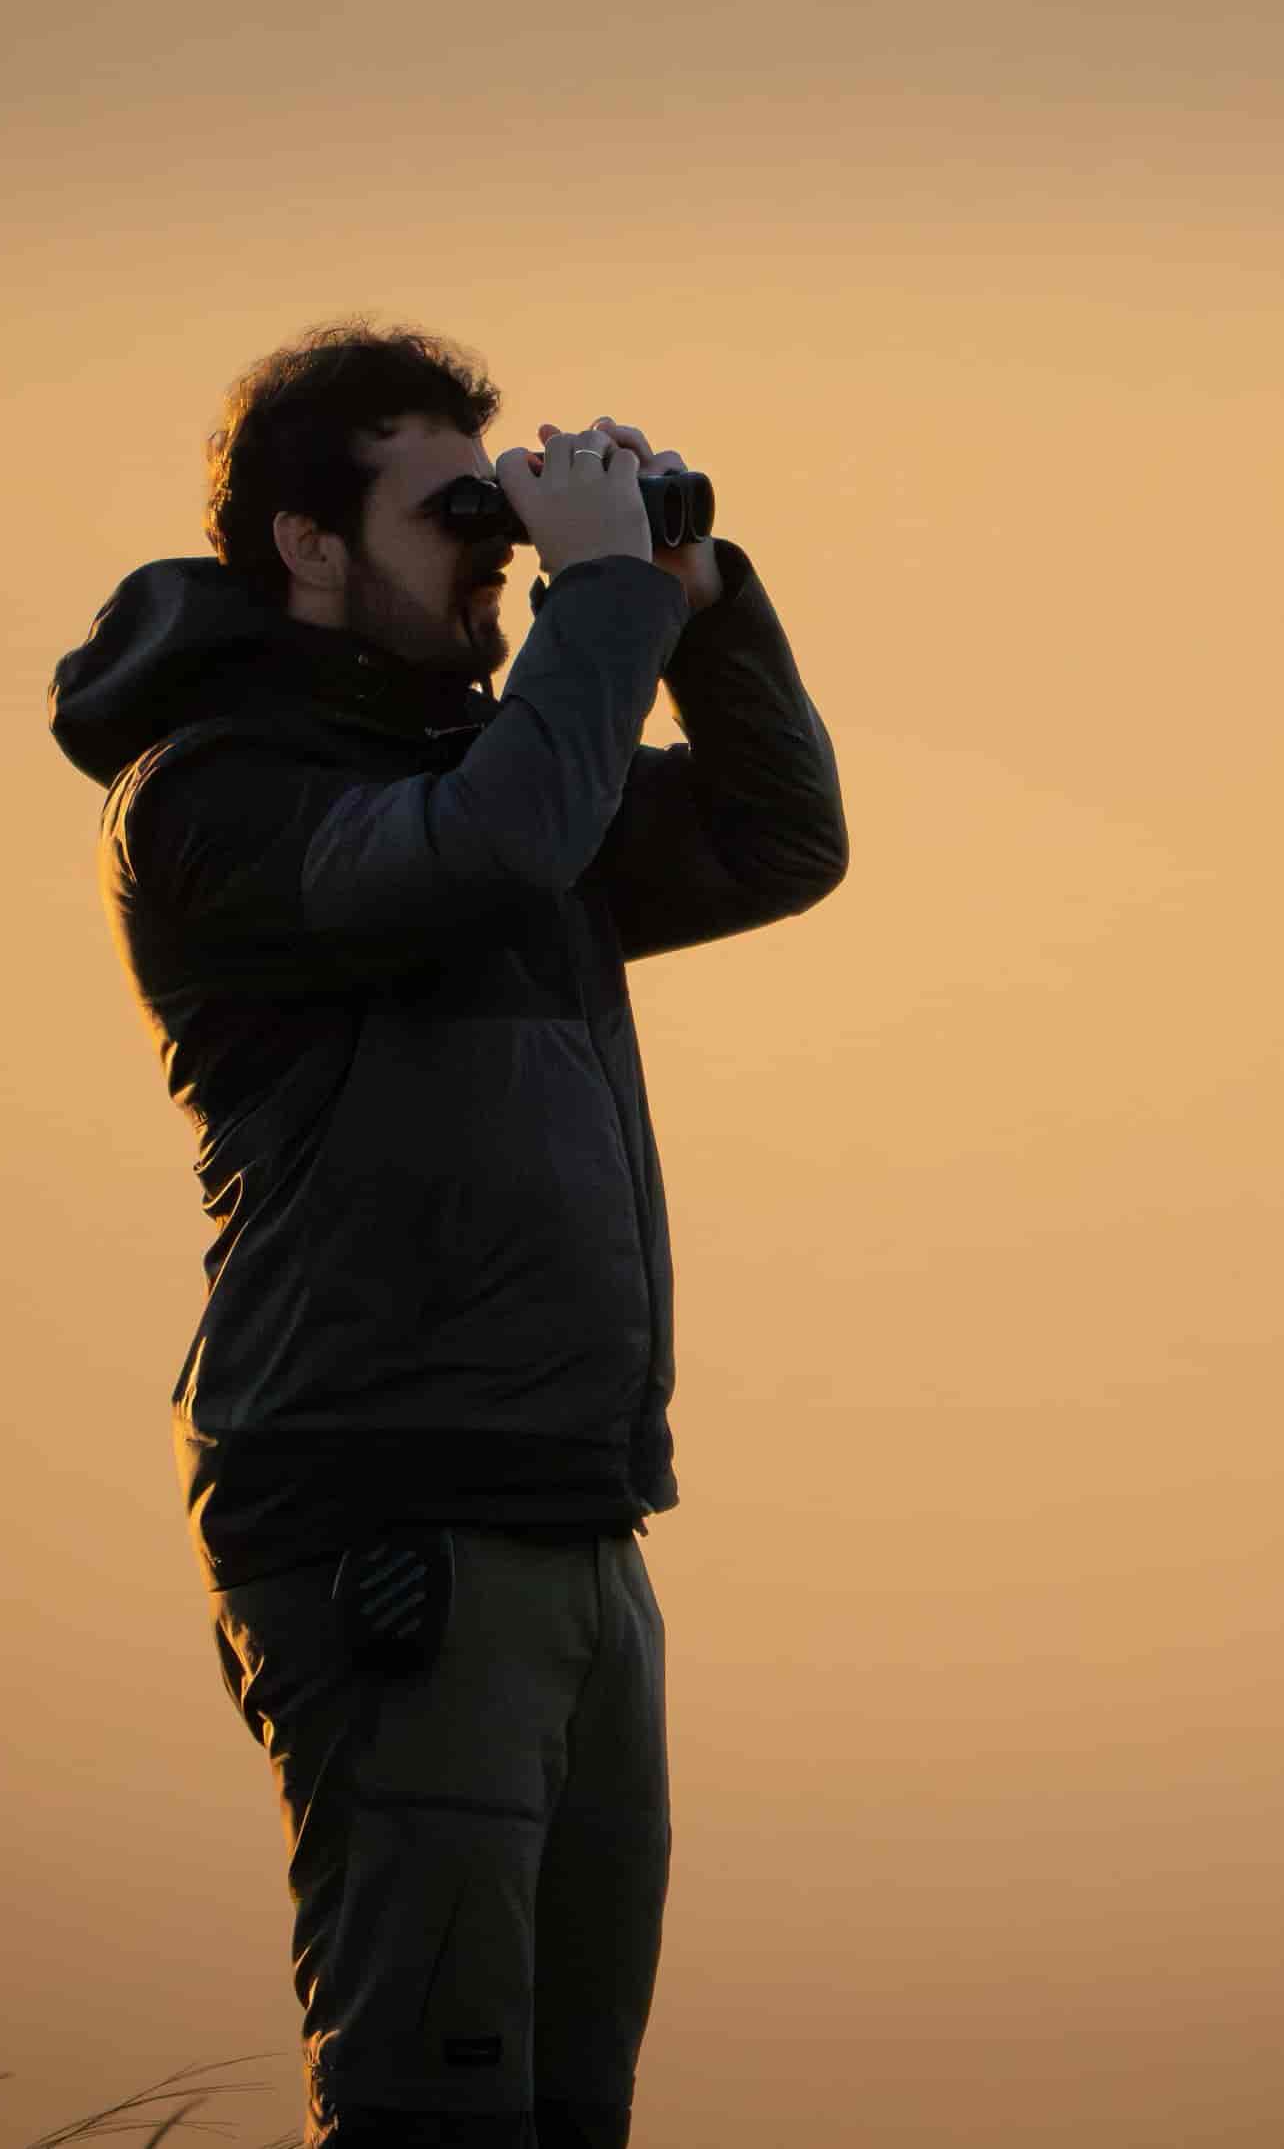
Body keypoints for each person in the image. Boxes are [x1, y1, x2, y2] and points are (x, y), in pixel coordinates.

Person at [47, 321, 849, 2149]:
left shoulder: (505, 777)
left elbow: (778, 839)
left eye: (503, 521)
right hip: (385, 1509)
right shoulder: (218, 798)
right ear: (305, 547)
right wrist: (593, 612)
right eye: (450, 515)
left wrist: (692, 599)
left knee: (567, 2111)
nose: (493, 549)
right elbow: (485, 849)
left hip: (571, 1508)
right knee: (436, 2110)